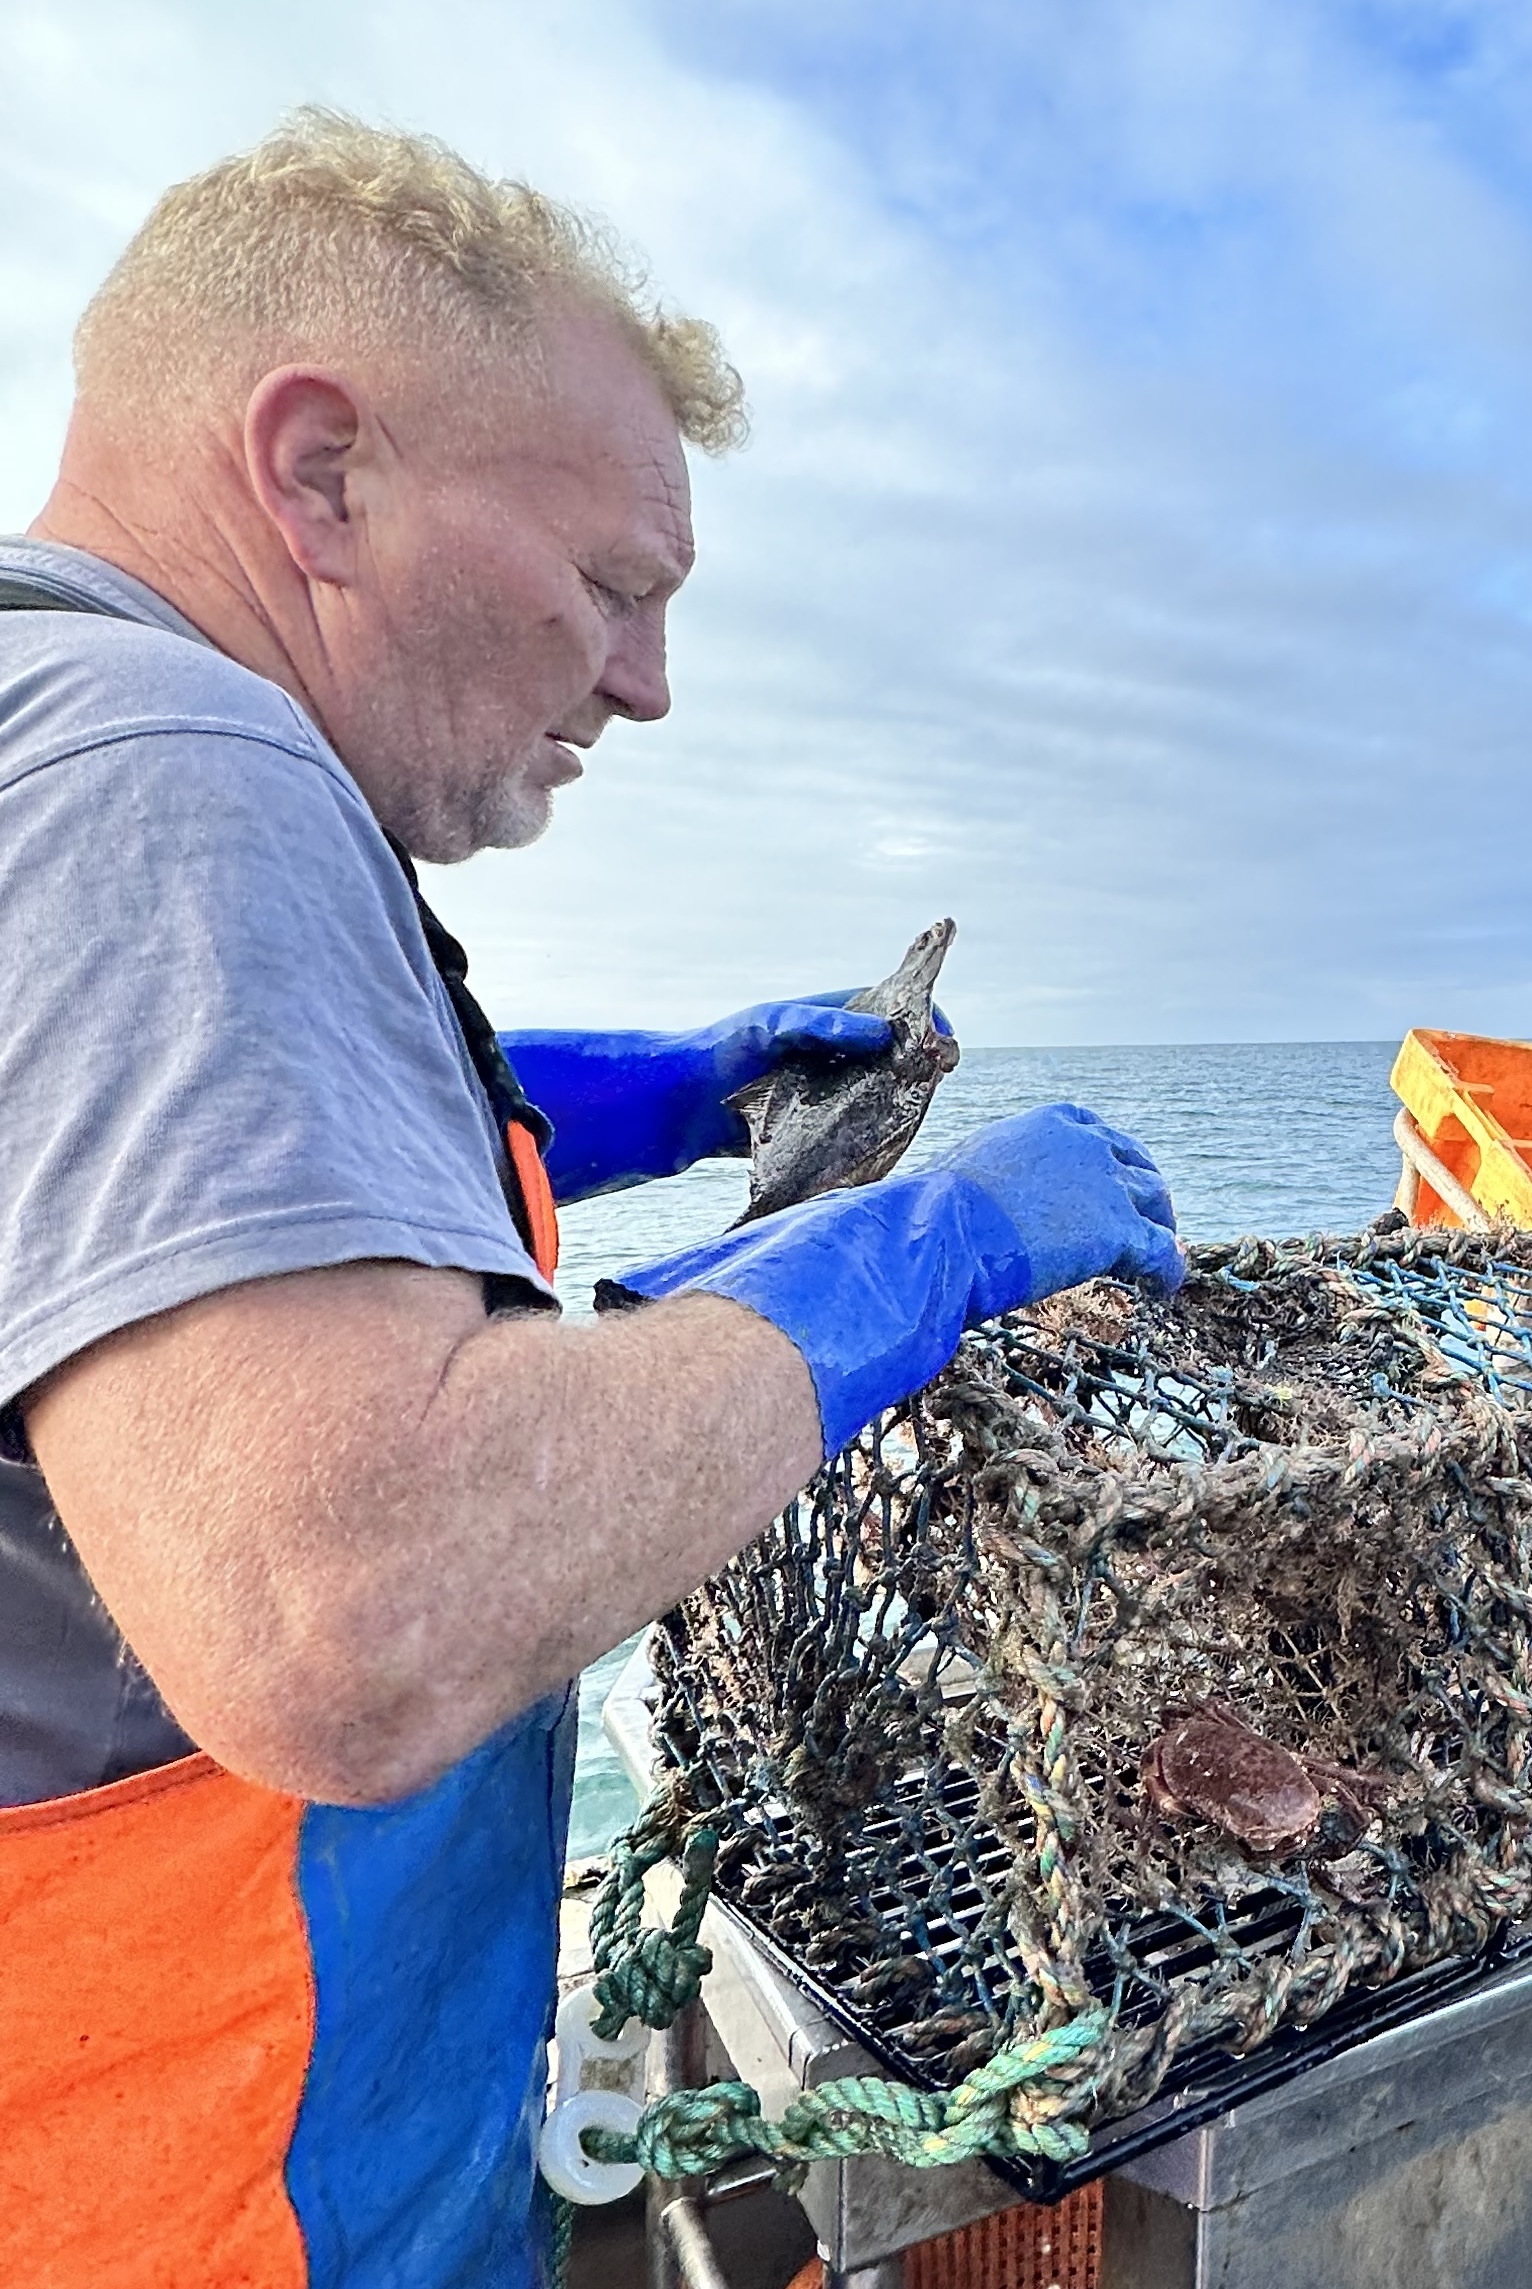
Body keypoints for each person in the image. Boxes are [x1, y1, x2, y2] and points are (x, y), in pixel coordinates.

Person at [0, 113, 1185, 2287]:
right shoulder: (163, 774)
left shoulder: (42, 736)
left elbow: (165, 1191)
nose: (645, 681)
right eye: (617, 587)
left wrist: (653, 1099)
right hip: (195, 2206)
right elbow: (355, 1602)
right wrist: (921, 1254)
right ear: (321, 471)